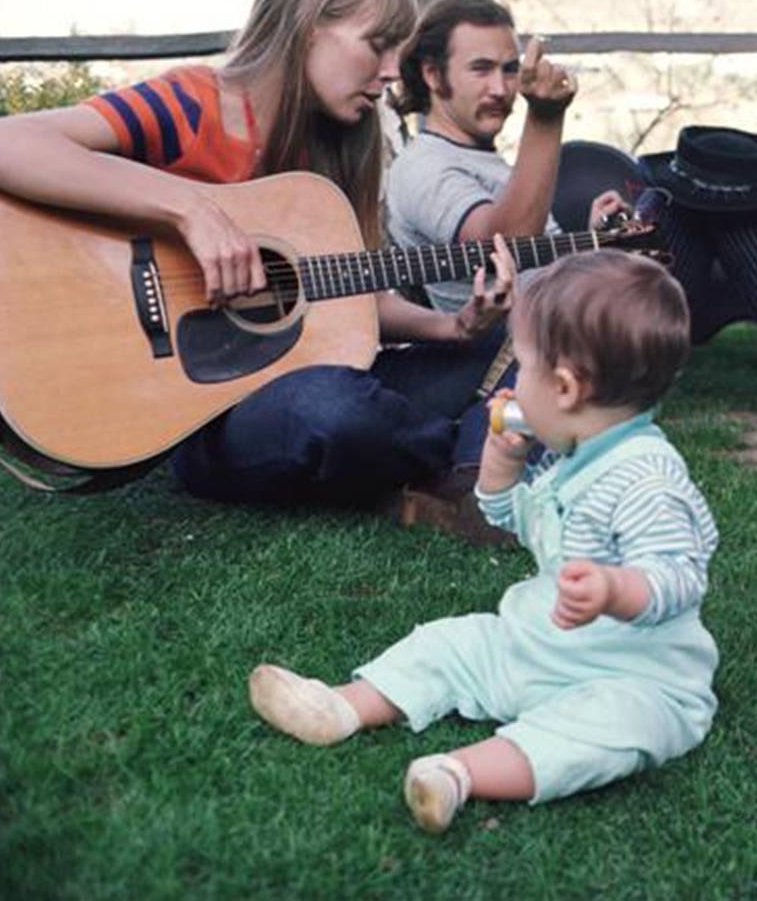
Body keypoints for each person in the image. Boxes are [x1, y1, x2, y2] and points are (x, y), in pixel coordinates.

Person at [0, 0, 518, 510]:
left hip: (317, 376)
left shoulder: (343, 147)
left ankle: (465, 459)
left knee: (519, 333)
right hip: (213, 420)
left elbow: (347, 297)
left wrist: (454, 328)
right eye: (375, 47)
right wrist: (191, 211)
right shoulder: (193, 104)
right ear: (308, 26)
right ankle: (480, 460)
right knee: (331, 410)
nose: (387, 76)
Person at [247, 250, 719, 831]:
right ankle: (341, 706)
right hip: (538, 645)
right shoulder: (574, 455)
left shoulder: (647, 475)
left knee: (613, 727)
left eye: (522, 367)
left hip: (636, 676)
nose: (514, 383)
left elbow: (680, 573)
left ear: (566, 388)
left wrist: (616, 589)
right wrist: (501, 462)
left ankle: (456, 773)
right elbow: (512, 519)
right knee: (450, 644)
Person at [387, 0, 757, 431]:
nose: (502, 89)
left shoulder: (476, 155)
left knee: (711, 193)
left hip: (574, 310)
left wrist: (591, 237)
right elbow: (497, 244)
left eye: (509, 69)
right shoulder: (424, 166)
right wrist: (546, 117)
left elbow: (533, 255)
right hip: (540, 348)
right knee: (707, 194)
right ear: (433, 76)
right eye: (481, 70)